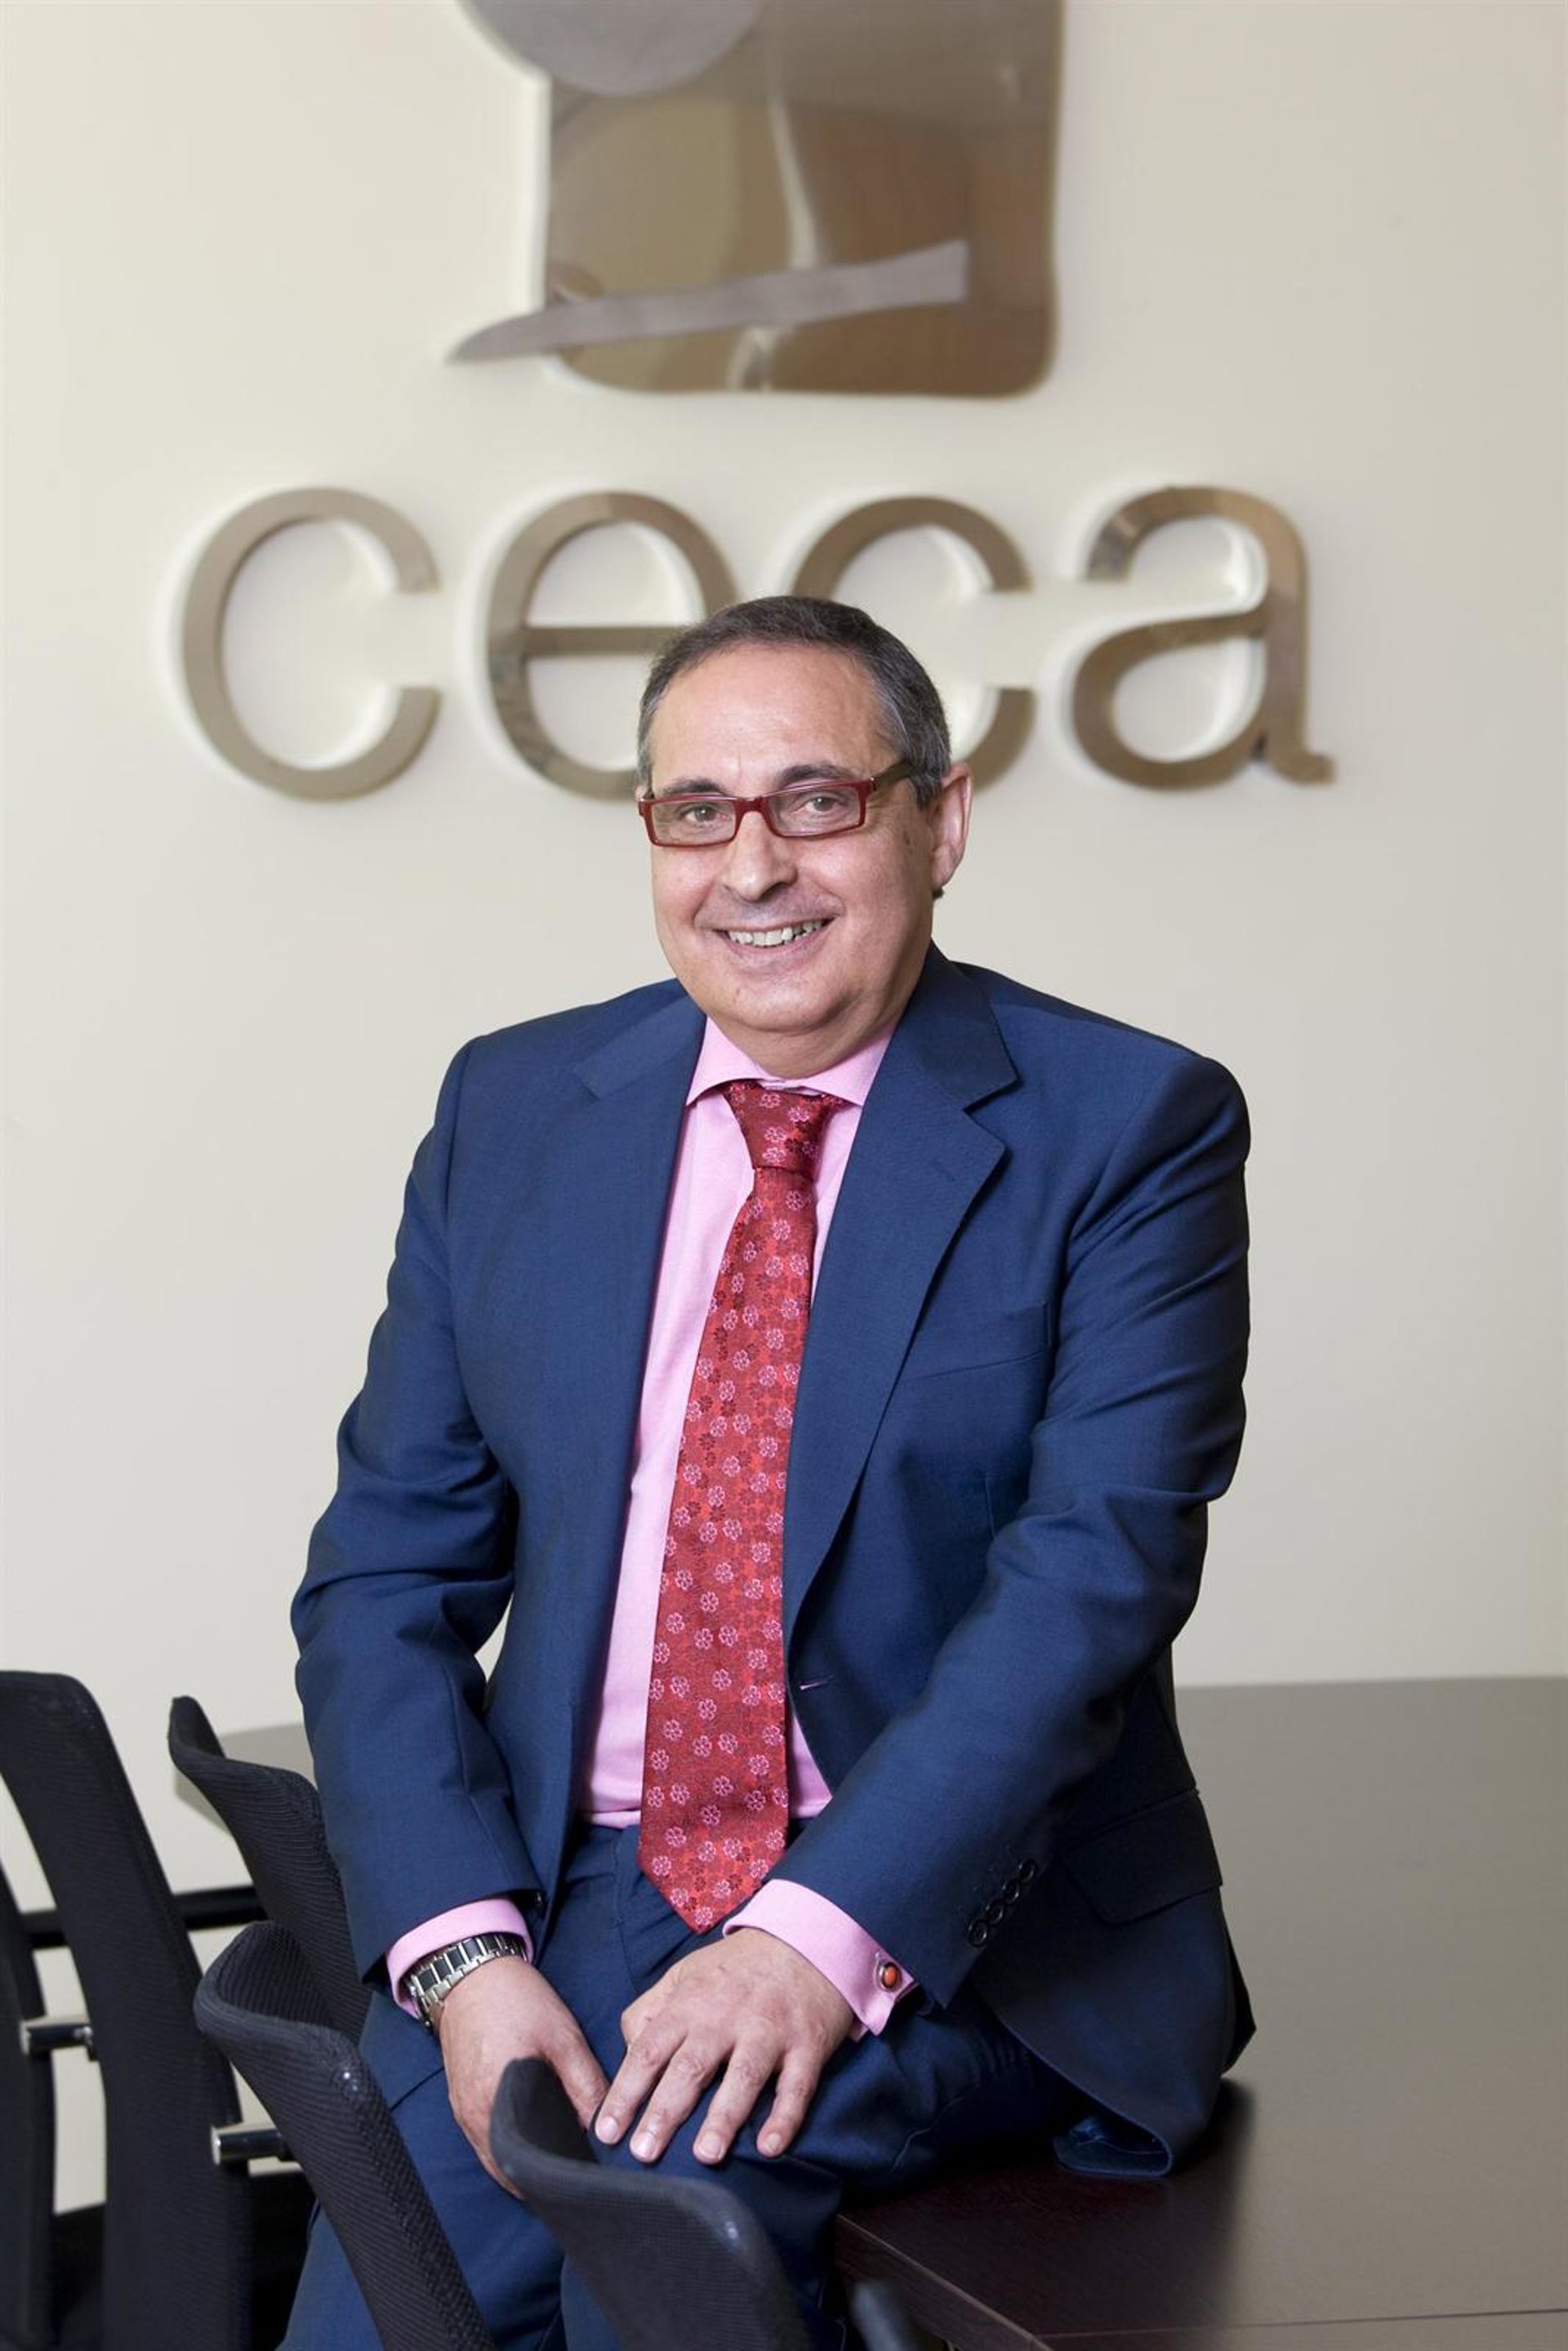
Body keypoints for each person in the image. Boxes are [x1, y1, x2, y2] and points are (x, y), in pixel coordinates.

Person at [287, 595, 1254, 2351]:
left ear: (938, 823)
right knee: (387, 2299)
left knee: (659, 2235)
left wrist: (813, 1938)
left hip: (952, 1921)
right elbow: (383, 1579)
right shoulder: (514, 1111)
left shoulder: (1130, 1128)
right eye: (697, 812)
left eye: (817, 801)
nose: (753, 868)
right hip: (567, 1892)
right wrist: (462, 1953)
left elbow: (1089, 1588)